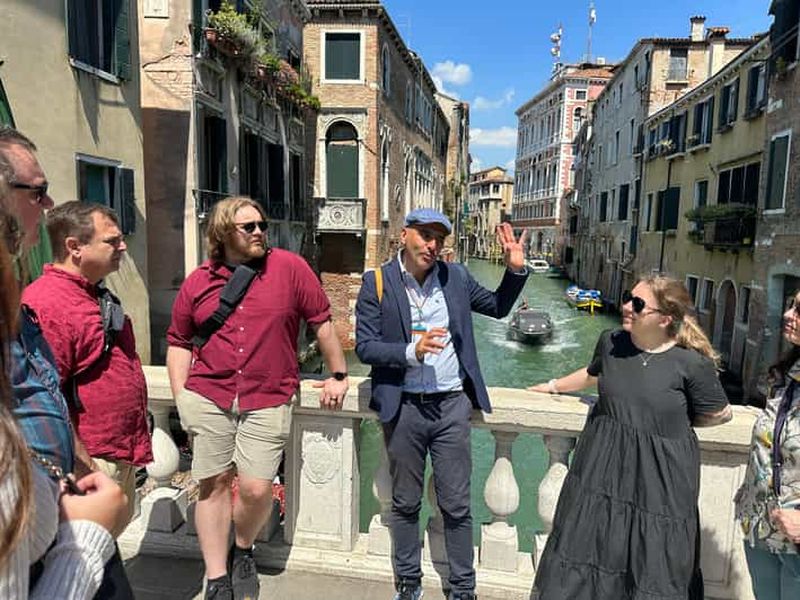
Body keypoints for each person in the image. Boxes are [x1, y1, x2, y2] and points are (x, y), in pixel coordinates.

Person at [166, 196, 349, 600]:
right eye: (248, 227)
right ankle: (216, 576)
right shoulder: (199, 281)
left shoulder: (290, 268)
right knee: (211, 486)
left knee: (255, 487)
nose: (259, 232)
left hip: (269, 395)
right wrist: (182, 397)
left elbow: (321, 322)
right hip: (210, 395)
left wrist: (338, 373)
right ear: (222, 234)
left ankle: (243, 547)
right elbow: (179, 341)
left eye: (261, 225)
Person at [355, 209, 529, 600]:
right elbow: (365, 347)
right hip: (403, 408)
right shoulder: (377, 283)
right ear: (404, 235)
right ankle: (409, 582)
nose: (432, 245)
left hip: (451, 406)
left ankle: (463, 589)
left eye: (439, 238)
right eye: (425, 235)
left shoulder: (457, 278)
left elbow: (500, 308)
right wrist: (410, 351)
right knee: (404, 503)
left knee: (456, 504)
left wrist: (515, 271)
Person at [528, 276, 732, 600]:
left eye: (637, 304)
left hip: (661, 481)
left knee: (652, 565)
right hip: (603, 470)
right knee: (592, 553)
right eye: (627, 297)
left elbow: (719, 413)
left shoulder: (691, 364)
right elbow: (592, 373)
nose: (625, 307)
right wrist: (552, 385)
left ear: (664, 318)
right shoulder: (610, 342)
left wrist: (659, 423)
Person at [0, 145, 128, 598]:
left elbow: (44, 392)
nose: (49, 206)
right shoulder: (48, 301)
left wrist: (75, 465)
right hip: (49, 524)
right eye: (38, 193)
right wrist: (88, 540)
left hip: (61, 498)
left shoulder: (24, 309)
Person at [21, 201, 152, 518]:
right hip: (88, 462)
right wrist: (85, 467)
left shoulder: (93, 292)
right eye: (111, 241)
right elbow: (45, 396)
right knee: (85, 557)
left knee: (104, 551)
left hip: (114, 452)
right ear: (74, 247)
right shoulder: (49, 304)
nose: (123, 246)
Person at [735, 289, 800, 599]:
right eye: (790, 306)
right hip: (761, 527)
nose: (788, 314)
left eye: (799, 310)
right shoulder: (788, 375)